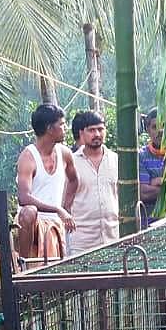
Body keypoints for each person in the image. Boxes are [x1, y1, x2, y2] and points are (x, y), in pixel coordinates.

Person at [16, 103, 78, 260]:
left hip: (54, 224)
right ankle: (22, 264)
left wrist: (66, 208)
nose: (66, 128)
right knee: (29, 211)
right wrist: (58, 209)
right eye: (62, 124)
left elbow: (74, 180)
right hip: (33, 223)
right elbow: (23, 198)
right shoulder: (28, 156)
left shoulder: (64, 153)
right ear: (50, 129)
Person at [64, 111, 119, 254]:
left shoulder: (116, 160)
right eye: (92, 130)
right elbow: (65, 202)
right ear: (82, 133)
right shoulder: (71, 163)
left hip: (114, 238)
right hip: (81, 242)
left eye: (100, 129)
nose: (97, 134)